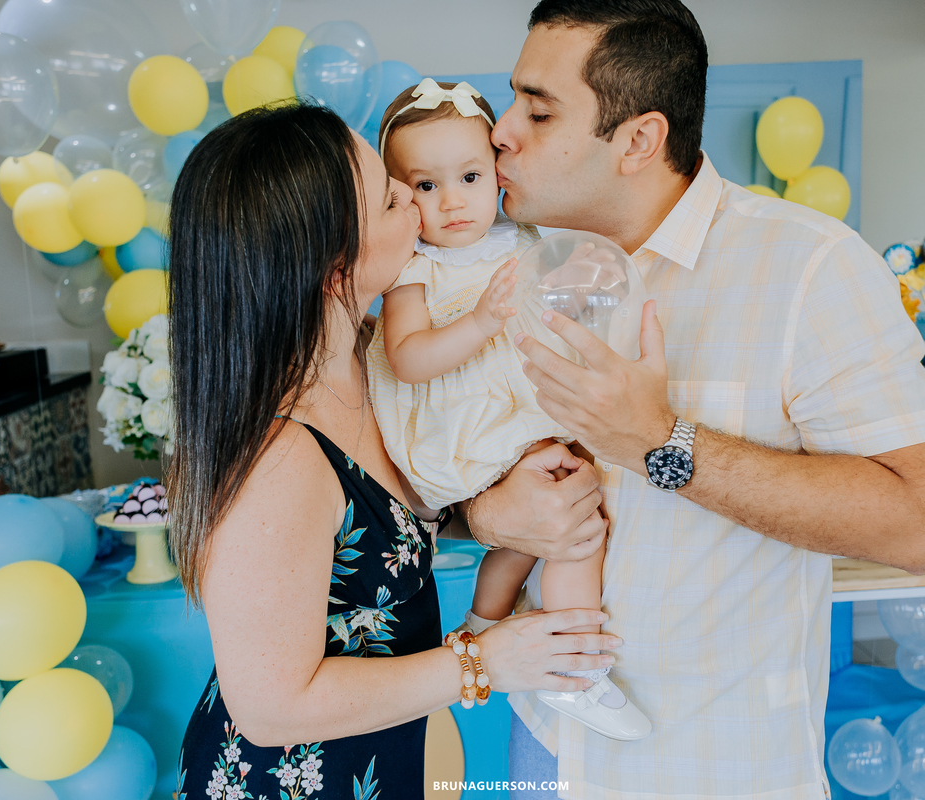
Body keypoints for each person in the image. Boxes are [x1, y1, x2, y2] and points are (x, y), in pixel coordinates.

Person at [458, 1, 925, 797]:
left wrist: (660, 442)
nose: (501, 132)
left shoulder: (813, 268)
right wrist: (485, 515)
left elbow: (919, 522)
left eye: (537, 109)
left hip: (713, 761)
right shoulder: (502, 275)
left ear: (639, 139)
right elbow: (449, 471)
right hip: (545, 746)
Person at [165, 102, 620, 800]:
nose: (415, 197)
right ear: (332, 267)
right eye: (389, 196)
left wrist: (499, 499)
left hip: (387, 754)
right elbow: (269, 707)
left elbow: (402, 515)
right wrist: (482, 661)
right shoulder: (279, 458)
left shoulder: (376, 354)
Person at [365, 78, 650, 740]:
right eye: (426, 187)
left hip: (531, 400)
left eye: (469, 175)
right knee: (576, 517)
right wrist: (480, 322)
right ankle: (577, 665)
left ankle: (482, 627)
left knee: (536, 530)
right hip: (470, 420)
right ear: (401, 194)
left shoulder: (524, 236)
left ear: (497, 170)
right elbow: (407, 356)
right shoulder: (416, 268)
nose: (453, 201)